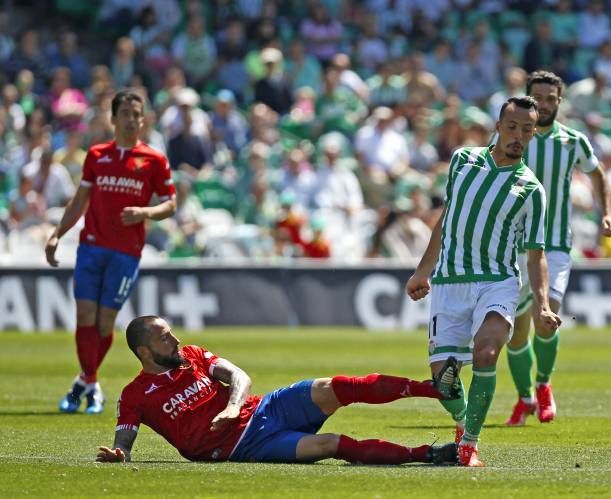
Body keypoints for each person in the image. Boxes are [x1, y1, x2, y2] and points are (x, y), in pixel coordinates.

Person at [406, 96, 561, 467]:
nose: (518, 136)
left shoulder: (531, 190)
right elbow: (447, 219)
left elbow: (536, 252)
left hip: (498, 281)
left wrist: (541, 305)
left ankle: (469, 446)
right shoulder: (462, 161)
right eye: (512, 127)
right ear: (498, 126)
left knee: (487, 351)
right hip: (450, 282)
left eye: (527, 130)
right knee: (443, 381)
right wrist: (422, 270)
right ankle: (463, 422)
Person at [96, 316, 460, 465]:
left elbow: (238, 376)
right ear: (145, 352)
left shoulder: (192, 355)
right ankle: (428, 454)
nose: (176, 340)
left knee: (333, 386)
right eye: (165, 338)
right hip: (242, 446)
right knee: (329, 444)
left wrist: (233, 406)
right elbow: (123, 445)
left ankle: (432, 389)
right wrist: (119, 455)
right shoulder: (134, 396)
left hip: (265, 408)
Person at [45, 90, 177, 414]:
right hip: (91, 246)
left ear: (143, 120)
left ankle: (83, 383)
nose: (133, 119)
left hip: (126, 252)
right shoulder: (97, 155)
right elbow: (79, 201)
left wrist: (145, 213)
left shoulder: (154, 160)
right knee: (84, 316)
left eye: (137, 114)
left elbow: (171, 204)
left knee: (105, 323)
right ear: (114, 119)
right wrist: (56, 235)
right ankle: (92, 383)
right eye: (127, 113)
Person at [504, 71, 611, 427]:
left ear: (559, 101)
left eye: (551, 98)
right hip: (514, 247)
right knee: (515, 332)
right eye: (538, 97)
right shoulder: (513, 140)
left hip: (554, 244)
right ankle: (524, 399)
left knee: (548, 315)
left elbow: (597, 174)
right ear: (528, 99)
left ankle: (543, 386)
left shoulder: (572, 141)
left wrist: (608, 213)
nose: (545, 104)